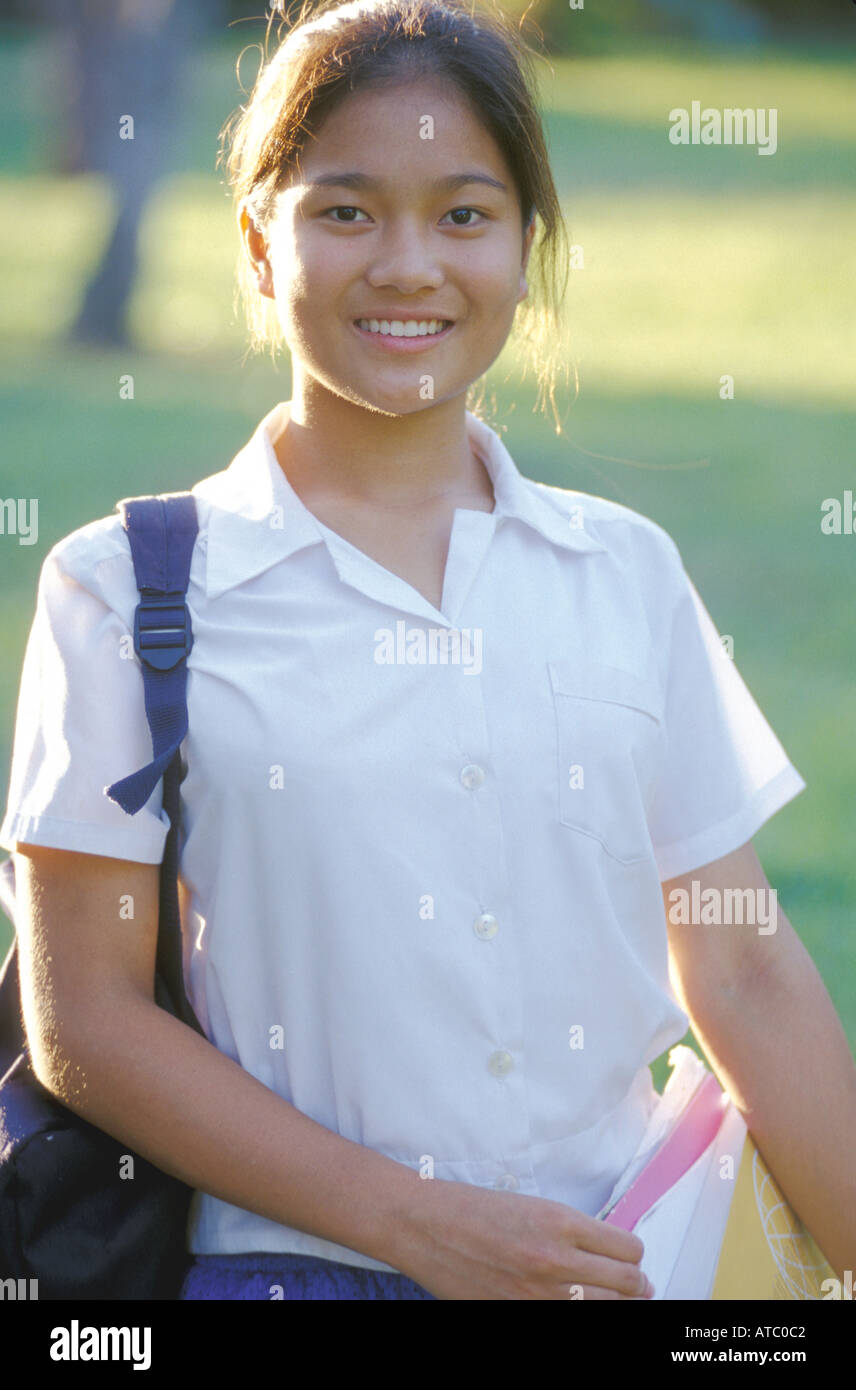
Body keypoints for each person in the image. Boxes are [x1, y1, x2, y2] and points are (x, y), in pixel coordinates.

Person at [2, 0, 854, 1301]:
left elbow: (739, 959)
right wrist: (417, 1224)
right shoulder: (124, 590)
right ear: (255, 241)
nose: (409, 265)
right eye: (346, 211)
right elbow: (89, 1027)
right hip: (295, 1279)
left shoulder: (625, 572)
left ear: (527, 247)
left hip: (629, 1266)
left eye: (464, 213)